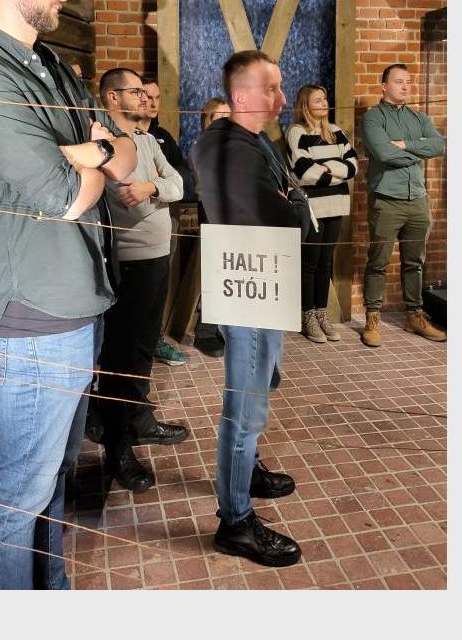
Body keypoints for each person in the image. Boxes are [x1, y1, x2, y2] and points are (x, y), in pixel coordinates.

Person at [0, 0, 138, 590]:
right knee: (21, 492)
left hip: (78, 302)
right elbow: (68, 198)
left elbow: (126, 152)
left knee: (53, 477)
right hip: (33, 317)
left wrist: (86, 151)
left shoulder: (50, 66)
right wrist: (88, 158)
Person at [190, 50, 311, 568]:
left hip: (262, 284)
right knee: (245, 410)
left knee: (262, 386)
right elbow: (292, 219)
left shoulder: (248, 141)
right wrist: (293, 199)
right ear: (242, 96)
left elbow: (287, 200)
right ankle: (235, 522)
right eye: (272, 88)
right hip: (250, 293)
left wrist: (289, 196)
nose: (282, 98)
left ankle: (249, 473)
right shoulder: (233, 150)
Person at [91, 67, 190, 492]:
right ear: (112, 98)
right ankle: (117, 449)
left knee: (145, 348)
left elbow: (179, 183)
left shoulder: (146, 139)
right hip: (128, 261)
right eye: (135, 92)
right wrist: (154, 191)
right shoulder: (103, 141)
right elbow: (128, 199)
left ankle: (139, 420)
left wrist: (152, 187)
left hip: (157, 255)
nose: (145, 98)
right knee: (120, 359)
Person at [360, 63, 447, 347]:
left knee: (414, 262)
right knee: (378, 262)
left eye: (408, 81)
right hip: (387, 200)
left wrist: (405, 145)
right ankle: (372, 317)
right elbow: (384, 154)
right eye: (399, 81)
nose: (406, 86)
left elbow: (438, 146)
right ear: (384, 86)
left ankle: (414, 316)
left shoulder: (419, 117)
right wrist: (418, 150)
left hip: (418, 201)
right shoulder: (373, 118)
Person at [286, 84, 359, 344]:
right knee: (310, 263)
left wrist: (325, 169)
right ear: (305, 105)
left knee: (325, 263)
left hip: (336, 205)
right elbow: (304, 172)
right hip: (313, 209)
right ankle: (307, 316)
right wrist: (335, 171)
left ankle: (321, 313)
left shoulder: (336, 132)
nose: (324, 102)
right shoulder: (297, 132)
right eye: (317, 99)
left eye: (325, 98)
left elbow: (353, 166)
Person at [136, 77, 196, 366]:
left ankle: (156, 339)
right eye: (146, 96)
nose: (152, 102)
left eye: (157, 97)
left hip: (164, 221)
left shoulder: (163, 137)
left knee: (159, 284)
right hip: (129, 227)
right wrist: (162, 182)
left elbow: (183, 180)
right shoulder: (121, 135)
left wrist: (154, 184)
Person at [189, 97, 231, 358]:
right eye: (220, 116)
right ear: (208, 120)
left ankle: (225, 327)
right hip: (214, 210)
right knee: (215, 271)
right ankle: (205, 331)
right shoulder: (202, 147)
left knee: (230, 270)